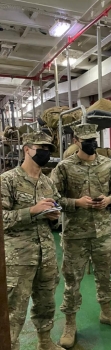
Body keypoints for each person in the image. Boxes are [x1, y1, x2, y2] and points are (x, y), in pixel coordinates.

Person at [51, 123, 111, 349]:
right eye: (87, 141)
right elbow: (53, 198)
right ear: (76, 141)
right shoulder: (64, 167)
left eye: (95, 140)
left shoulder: (108, 164)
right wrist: (76, 202)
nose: (92, 144)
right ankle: (70, 324)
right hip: (75, 234)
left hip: (103, 232)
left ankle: (106, 312)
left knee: (104, 276)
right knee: (73, 280)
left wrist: (109, 200)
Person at [1, 131, 64, 350]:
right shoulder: (7, 180)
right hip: (19, 258)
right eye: (41, 148)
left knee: (46, 303)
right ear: (26, 149)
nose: (45, 153)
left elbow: (55, 214)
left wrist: (55, 217)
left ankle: (45, 342)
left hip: (46, 254)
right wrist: (31, 211)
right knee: (14, 310)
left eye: (49, 150)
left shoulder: (48, 182)